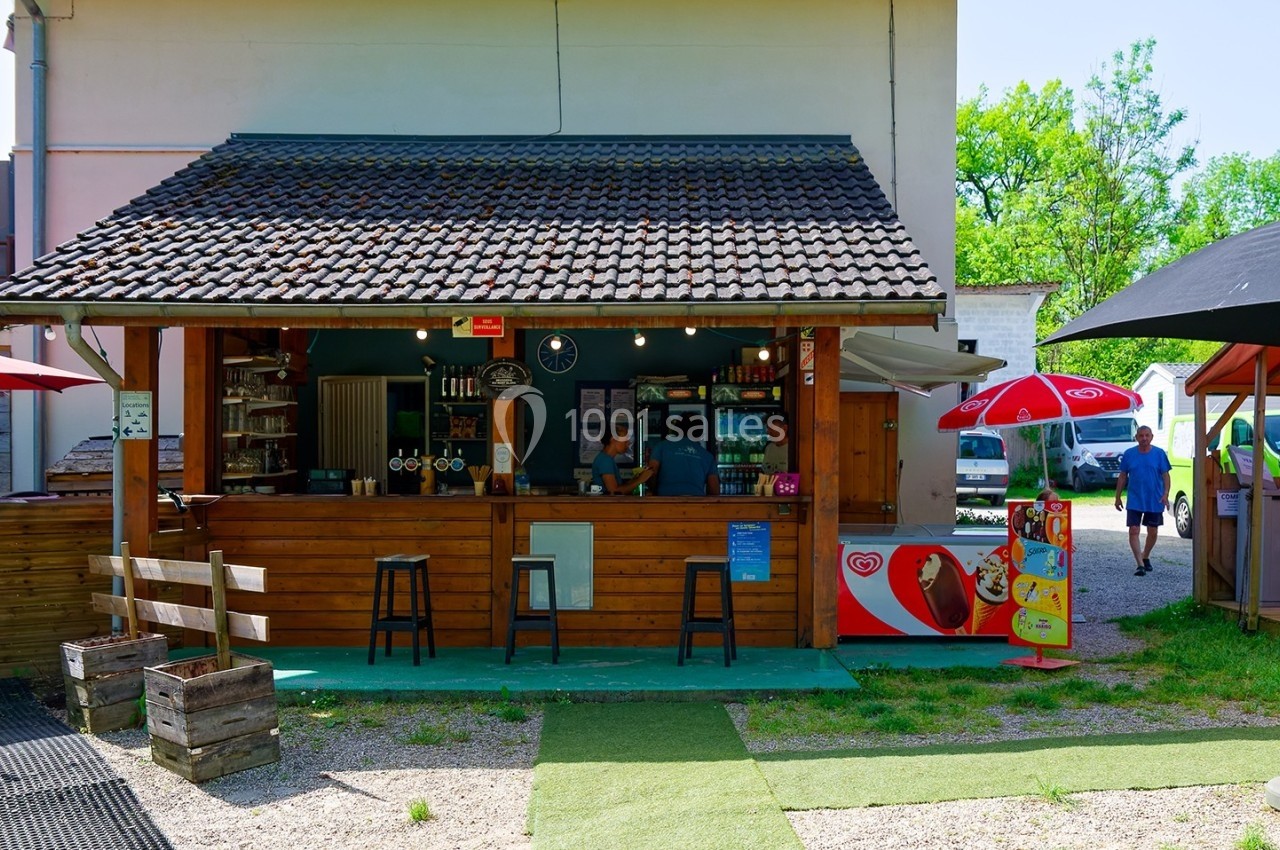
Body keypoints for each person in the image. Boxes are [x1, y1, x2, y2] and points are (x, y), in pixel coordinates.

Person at [1114, 424, 1171, 576]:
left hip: (1154, 498)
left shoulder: (1159, 454)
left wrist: (1166, 493)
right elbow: (1123, 476)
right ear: (1136, 438)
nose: (1144, 438)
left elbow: (1166, 475)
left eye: (1147, 435)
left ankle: (1145, 556)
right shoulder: (1129, 454)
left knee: (1152, 530)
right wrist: (1118, 496)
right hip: (1135, 499)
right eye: (1141, 436)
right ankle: (1139, 564)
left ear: (1152, 437)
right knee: (1134, 530)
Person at [646, 414, 719, 496]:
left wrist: (652, 492)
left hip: (666, 501)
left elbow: (651, 473)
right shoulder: (707, 456)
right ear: (701, 433)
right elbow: (714, 490)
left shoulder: (661, 447)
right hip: (696, 502)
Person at [590, 424, 650, 495]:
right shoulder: (605, 461)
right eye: (625, 440)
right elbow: (614, 492)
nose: (628, 444)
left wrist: (635, 479)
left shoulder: (606, 459)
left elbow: (619, 487)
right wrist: (640, 480)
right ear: (613, 439)